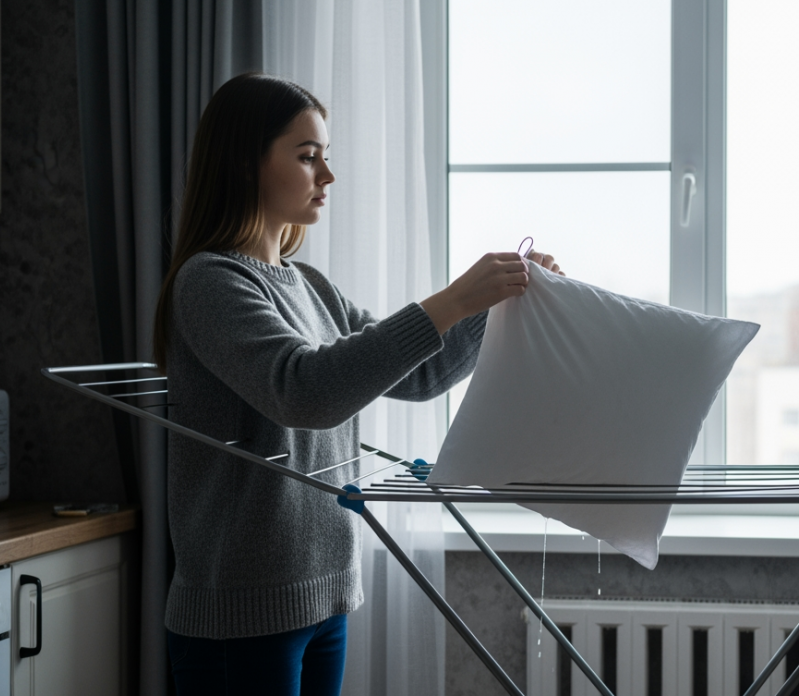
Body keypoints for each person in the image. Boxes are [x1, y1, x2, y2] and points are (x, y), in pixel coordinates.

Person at [151, 72, 561, 695]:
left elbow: (420, 373)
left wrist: (493, 309)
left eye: (325, 156)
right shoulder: (210, 282)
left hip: (324, 595)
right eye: (307, 156)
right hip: (242, 611)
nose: (327, 176)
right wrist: (452, 298)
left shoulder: (309, 285)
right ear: (245, 163)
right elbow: (305, 391)